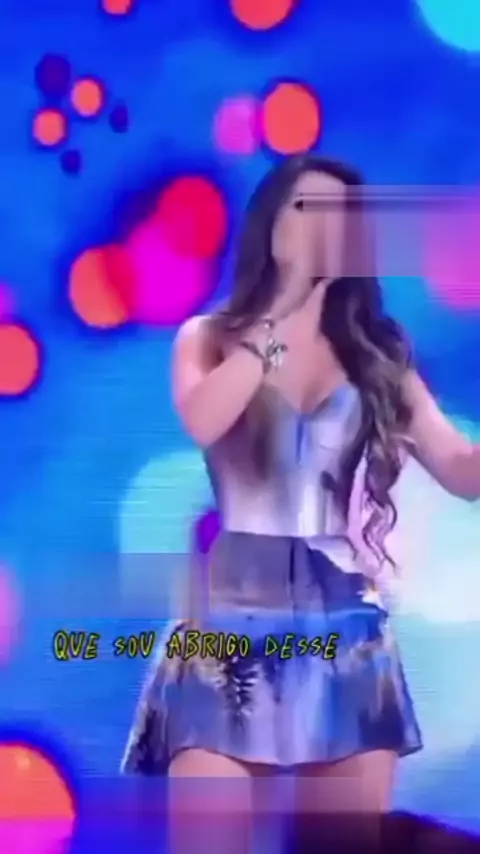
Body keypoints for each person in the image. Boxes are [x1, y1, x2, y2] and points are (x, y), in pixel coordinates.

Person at [121, 155, 480, 851]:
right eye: (306, 210)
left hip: (343, 618)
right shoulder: (209, 336)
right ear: (271, 224)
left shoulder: (379, 358)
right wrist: (273, 330)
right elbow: (204, 421)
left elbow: (461, 470)